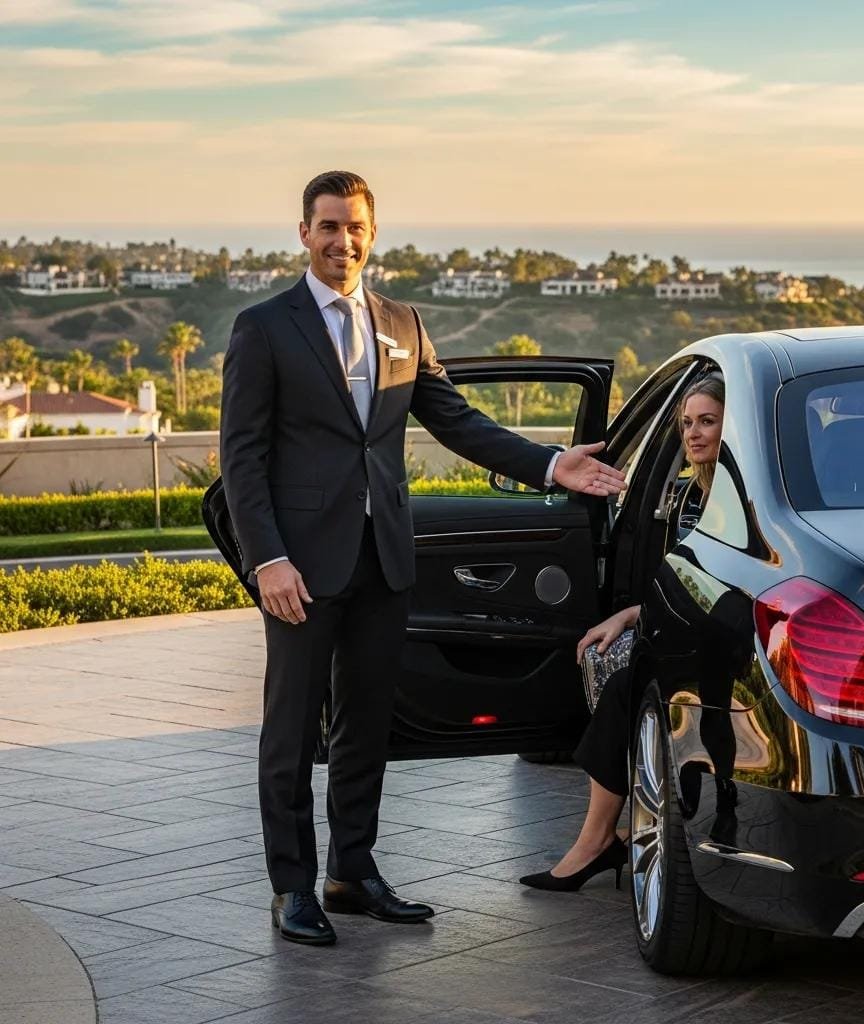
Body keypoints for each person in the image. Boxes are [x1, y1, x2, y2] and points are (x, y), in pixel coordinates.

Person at [220, 170, 626, 945]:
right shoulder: (263, 327)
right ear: (304, 233)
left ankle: (352, 873)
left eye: (356, 227)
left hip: (384, 558)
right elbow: (241, 457)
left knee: (367, 725)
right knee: (291, 730)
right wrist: (267, 558)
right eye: (329, 226)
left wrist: (550, 465)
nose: (343, 241)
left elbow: (457, 421)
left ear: (373, 234)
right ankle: (292, 887)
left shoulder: (402, 323)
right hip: (301, 567)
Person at [520, 372, 724, 892]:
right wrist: (629, 615)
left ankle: (596, 843)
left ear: (732, 428)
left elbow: (715, 589)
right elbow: (683, 582)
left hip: (724, 640)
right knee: (616, 675)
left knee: (622, 690)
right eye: (687, 423)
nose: (693, 433)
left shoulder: (737, 501)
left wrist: (637, 617)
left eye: (707, 421)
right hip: (686, 627)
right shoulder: (690, 494)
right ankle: (606, 837)